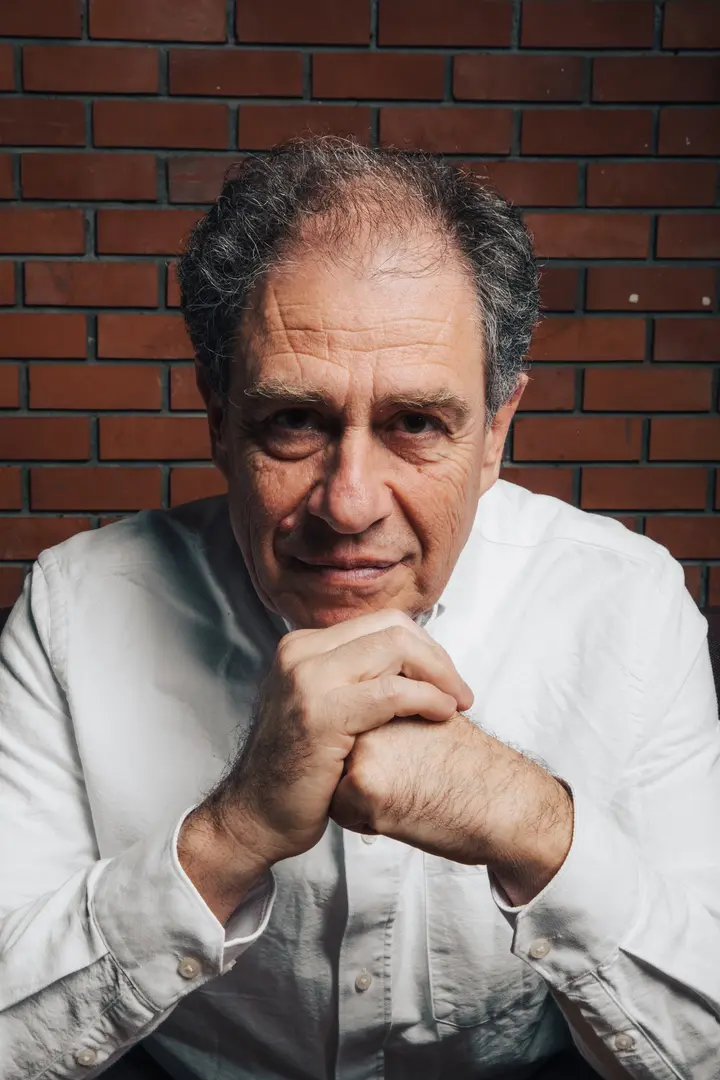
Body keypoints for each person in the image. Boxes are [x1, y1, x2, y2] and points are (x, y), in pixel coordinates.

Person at [1, 137, 718, 1080]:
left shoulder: (630, 603)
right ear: (218, 418)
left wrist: (531, 823)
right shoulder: (74, 607)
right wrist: (231, 835)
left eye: (416, 423)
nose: (348, 504)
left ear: (496, 431)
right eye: (294, 421)